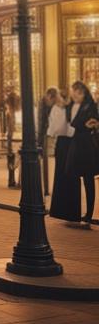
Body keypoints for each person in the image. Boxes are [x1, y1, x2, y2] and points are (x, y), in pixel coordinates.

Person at [48, 81, 99, 228]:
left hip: (87, 147)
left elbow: (92, 122)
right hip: (74, 146)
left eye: (76, 93)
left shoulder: (90, 105)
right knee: (73, 177)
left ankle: (88, 214)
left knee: (88, 180)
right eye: (73, 93)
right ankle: (73, 212)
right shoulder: (71, 105)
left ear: (82, 92)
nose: (74, 96)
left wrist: (89, 125)